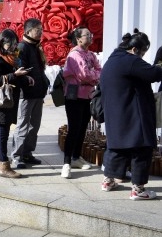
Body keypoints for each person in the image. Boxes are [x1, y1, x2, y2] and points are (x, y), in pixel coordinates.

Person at [100, 30, 162, 199]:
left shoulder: (113, 59)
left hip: (116, 113)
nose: (142, 56)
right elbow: (154, 74)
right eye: (142, 52)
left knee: (116, 148)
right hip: (133, 113)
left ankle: (108, 180)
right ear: (135, 49)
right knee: (141, 148)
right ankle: (138, 189)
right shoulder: (130, 61)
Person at [0, 29, 32, 178]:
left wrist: (25, 78)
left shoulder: (11, 57)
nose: (13, 47)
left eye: (14, 44)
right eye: (9, 44)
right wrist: (15, 74)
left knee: (4, 130)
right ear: (2, 43)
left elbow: (14, 76)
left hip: (9, 99)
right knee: (2, 133)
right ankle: (4, 166)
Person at [60, 27, 101, 178]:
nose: (91, 37)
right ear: (78, 39)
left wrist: (94, 75)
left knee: (83, 127)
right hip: (74, 96)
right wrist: (94, 75)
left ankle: (76, 157)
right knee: (74, 128)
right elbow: (84, 75)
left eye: (91, 34)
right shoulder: (75, 55)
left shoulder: (90, 54)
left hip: (87, 95)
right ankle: (66, 162)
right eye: (87, 35)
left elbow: (99, 71)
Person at [11, 18, 49, 168]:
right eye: (37, 30)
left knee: (34, 126)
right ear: (28, 31)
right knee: (22, 126)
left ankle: (27, 153)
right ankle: (16, 156)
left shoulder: (35, 47)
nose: (40, 32)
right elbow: (17, 69)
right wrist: (27, 80)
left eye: (41, 29)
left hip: (38, 93)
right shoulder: (21, 47)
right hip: (25, 94)